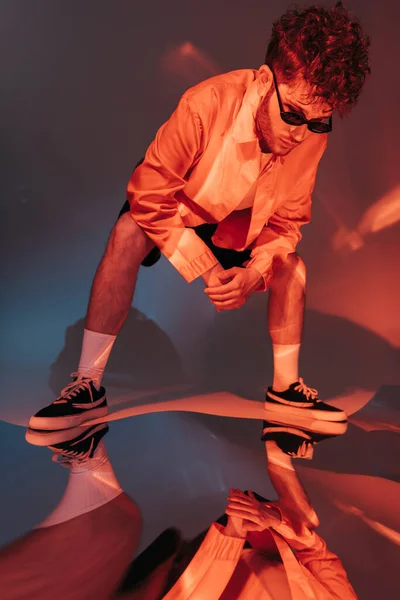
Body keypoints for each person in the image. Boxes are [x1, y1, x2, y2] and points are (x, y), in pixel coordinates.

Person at [29, 2, 371, 432]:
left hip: (238, 225)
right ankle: (87, 385)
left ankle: (286, 391)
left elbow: (287, 224)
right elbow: (149, 194)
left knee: (291, 268)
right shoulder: (204, 104)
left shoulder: (310, 135)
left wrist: (253, 273)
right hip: (176, 205)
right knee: (128, 231)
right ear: (266, 81)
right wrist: (207, 269)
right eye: (292, 115)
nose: (300, 133)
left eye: (317, 122)